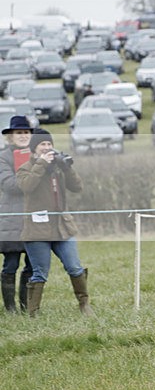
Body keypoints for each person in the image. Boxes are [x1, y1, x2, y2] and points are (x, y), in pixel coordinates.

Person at [16, 129, 91, 317]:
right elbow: (27, 186)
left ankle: (85, 305)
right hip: (37, 230)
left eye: (49, 144)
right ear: (34, 148)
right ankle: (33, 314)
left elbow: (78, 187)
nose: (47, 147)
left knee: (75, 267)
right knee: (40, 273)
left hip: (62, 228)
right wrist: (41, 164)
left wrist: (67, 168)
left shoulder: (58, 168)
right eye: (43, 144)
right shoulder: (25, 168)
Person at [0, 116, 34, 312]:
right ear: (11, 136)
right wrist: (33, 180)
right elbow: (9, 185)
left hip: (34, 217)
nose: (23, 136)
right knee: (11, 263)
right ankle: (10, 307)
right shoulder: (3, 157)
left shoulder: (36, 154)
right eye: (18, 133)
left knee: (32, 264)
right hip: (11, 218)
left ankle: (26, 305)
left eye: (26, 132)